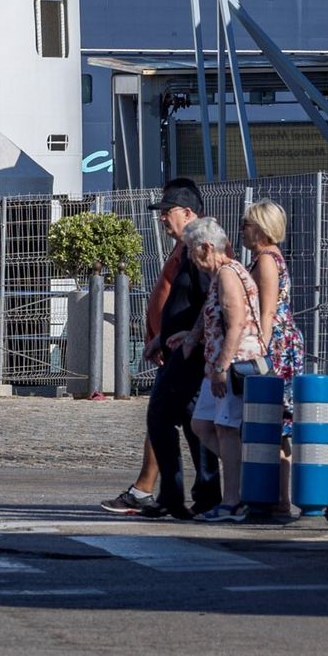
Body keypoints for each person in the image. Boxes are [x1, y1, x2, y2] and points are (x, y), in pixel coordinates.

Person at [100, 177, 218, 520]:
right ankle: (188, 495)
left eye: (168, 212)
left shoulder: (201, 245)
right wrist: (160, 334)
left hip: (189, 355)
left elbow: (210, 298)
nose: (162, 218)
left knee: (167, 418)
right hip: (177, 349)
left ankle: (188, 495)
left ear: (187, 212)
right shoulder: (186, 245)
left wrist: (191, 337)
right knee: (187, 422)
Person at [182, 215, 266, 523]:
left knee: (227, 429)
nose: (191, 258)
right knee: (202, 424)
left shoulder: (229, 274)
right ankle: (244, 477)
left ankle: (233, 500)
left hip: (234, 364)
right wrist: (191, 339)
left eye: (192, 251)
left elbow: (236, 324)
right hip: (218, 363)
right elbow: (211, 316)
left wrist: (221, 367)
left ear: (206, 247)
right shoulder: (221, 275)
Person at [242, 198, 302, 514]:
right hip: (282, 341)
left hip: (275, 345)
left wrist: (259, 352)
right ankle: (278, 496)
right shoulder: (270, 257)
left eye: (247, 224)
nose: (242, 230)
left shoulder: (266, 259)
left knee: (275, 422)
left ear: (262, 229)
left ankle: (278, 497)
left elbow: (266, 312)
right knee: (279, 426)